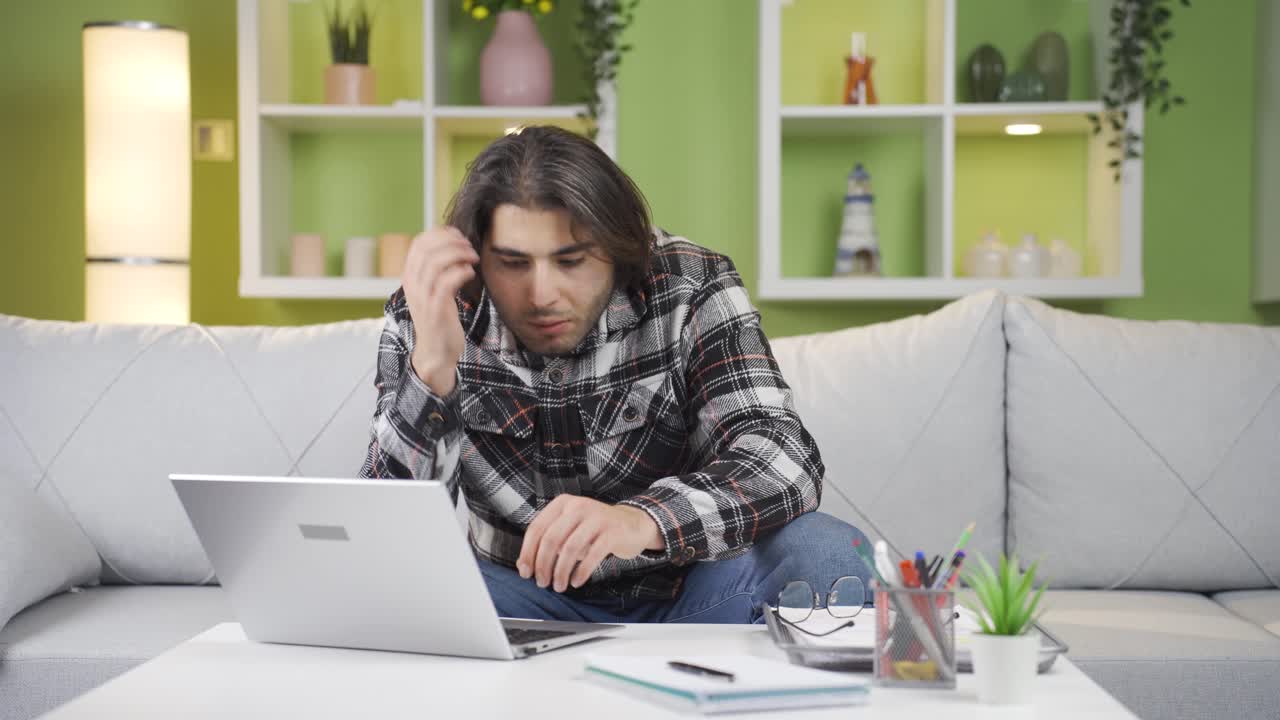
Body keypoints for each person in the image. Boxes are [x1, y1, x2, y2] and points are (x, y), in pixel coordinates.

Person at [359, 125, 872, 624]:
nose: (541, 295)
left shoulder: (692, 283)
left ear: (617, 247)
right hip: (515, 600)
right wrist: (432, 370)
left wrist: (643, 519)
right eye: (513, 263)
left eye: (571, 260)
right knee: (384, 584)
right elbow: (384, 537)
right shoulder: (434, 305)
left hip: (691, 592)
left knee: (830, 552)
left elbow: (784, 457)